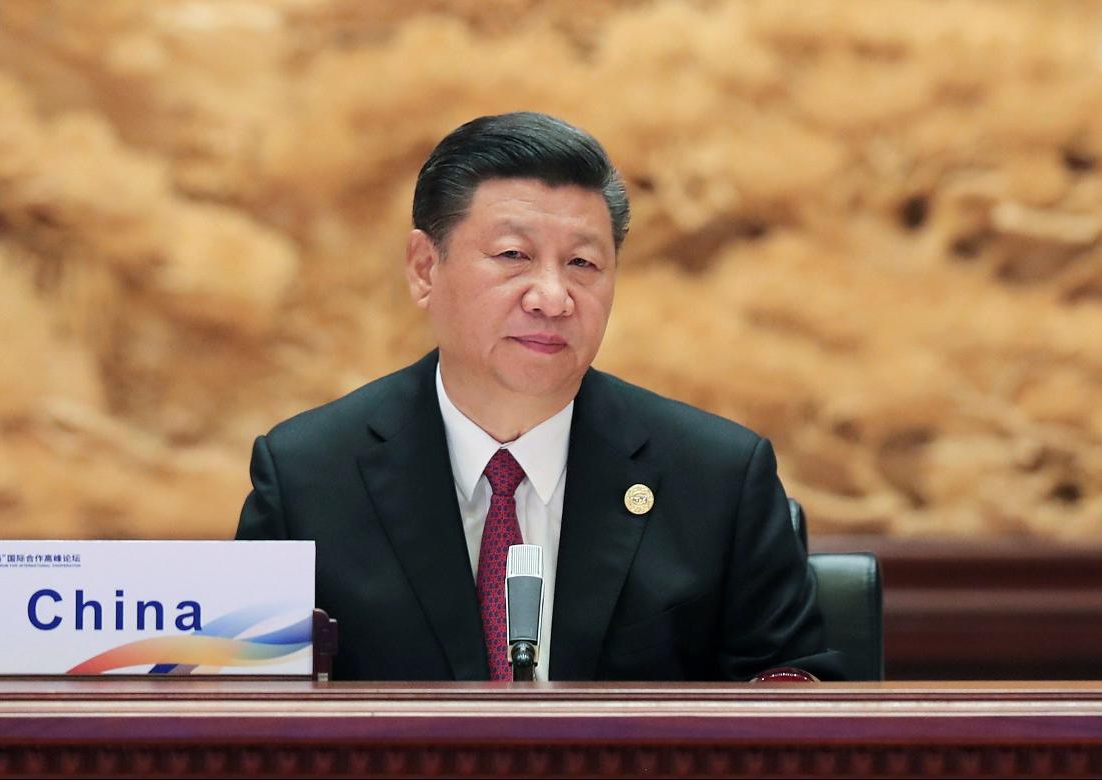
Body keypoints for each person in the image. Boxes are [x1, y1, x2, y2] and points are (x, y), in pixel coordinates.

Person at [236, 112, 843, 682]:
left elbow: (797, 701)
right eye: (513, 256)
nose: (552, 298)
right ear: (425, 268)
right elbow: (242, 719)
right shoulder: (308, 478)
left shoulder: (717, 478)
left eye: (583, 263)